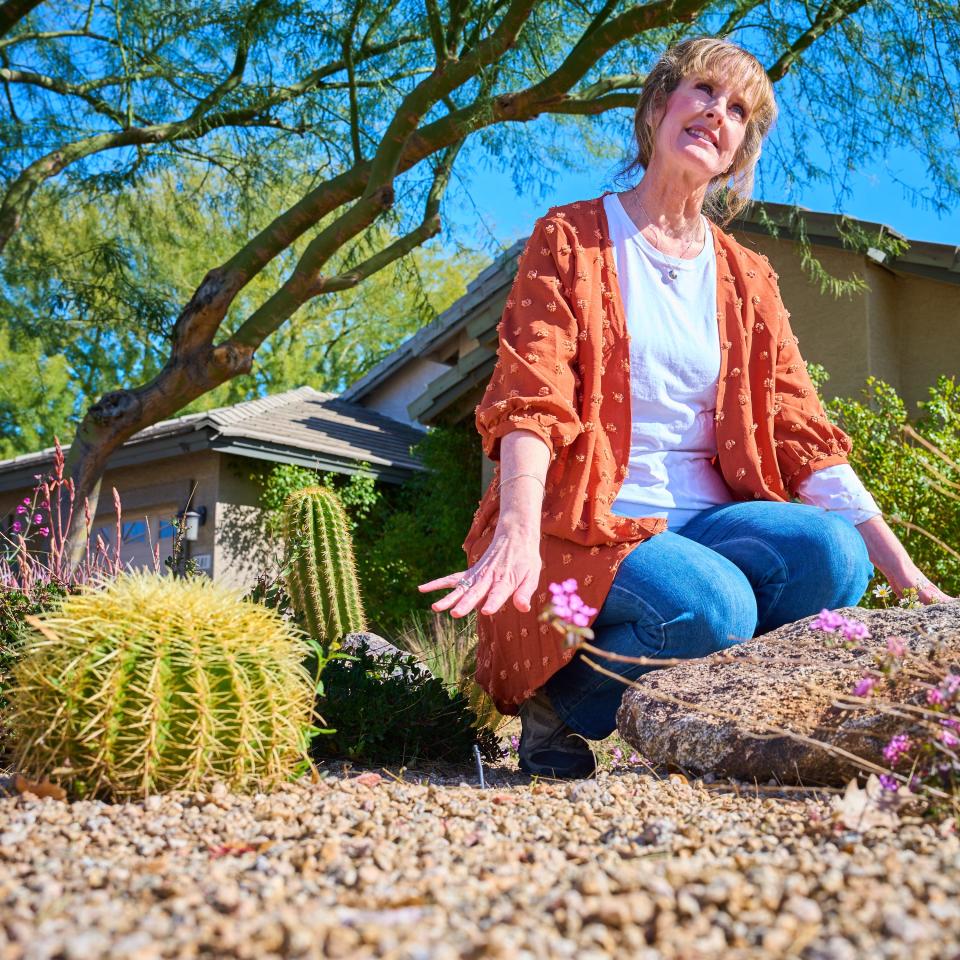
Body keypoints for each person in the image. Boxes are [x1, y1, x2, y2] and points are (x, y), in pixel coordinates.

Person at [418, 36, 956, 779]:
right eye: (703, 91)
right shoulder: (572, 239)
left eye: (739, 110)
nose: (717, 114)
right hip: (593, 520)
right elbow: (531, 396)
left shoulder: (747, 277)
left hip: (712, 522)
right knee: (713, 607)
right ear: (656, 107)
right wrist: (514, 526)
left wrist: (904, 573)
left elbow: (802, 431)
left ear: (741, 149)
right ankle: (561, 707)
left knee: (835, 556)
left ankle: (714, 722)